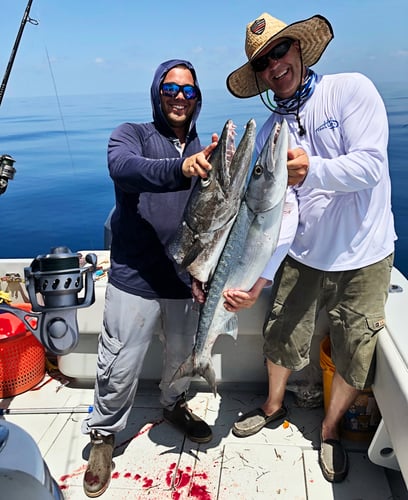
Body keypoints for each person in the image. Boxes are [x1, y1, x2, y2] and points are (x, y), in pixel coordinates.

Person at [224, 13, 396, 484]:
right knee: (281, 331)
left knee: (352, 350)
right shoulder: (270, 128)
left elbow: (371, 167)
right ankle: (273, 405)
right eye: (263, 62)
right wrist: (258, 279)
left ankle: (329, 429)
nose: (275, 65)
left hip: (365, 254)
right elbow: (277, 217)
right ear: (258, 74)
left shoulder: (350, 90)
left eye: (280, 51)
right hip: (302, 254)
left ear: (299, 48)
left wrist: (312, 170)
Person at [81, 59, 218, 498]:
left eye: (189, 91)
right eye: (171, 88)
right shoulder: (131, 134)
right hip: (134, 276)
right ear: (157, 91)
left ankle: (174, 405)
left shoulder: (206, 150)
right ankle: (103, 435)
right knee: (118, 365)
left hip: (185, 281)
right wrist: (181, 169)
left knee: (182, 358)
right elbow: (124, 169)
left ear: (198, 99)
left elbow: (218, 216)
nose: (180, 97)